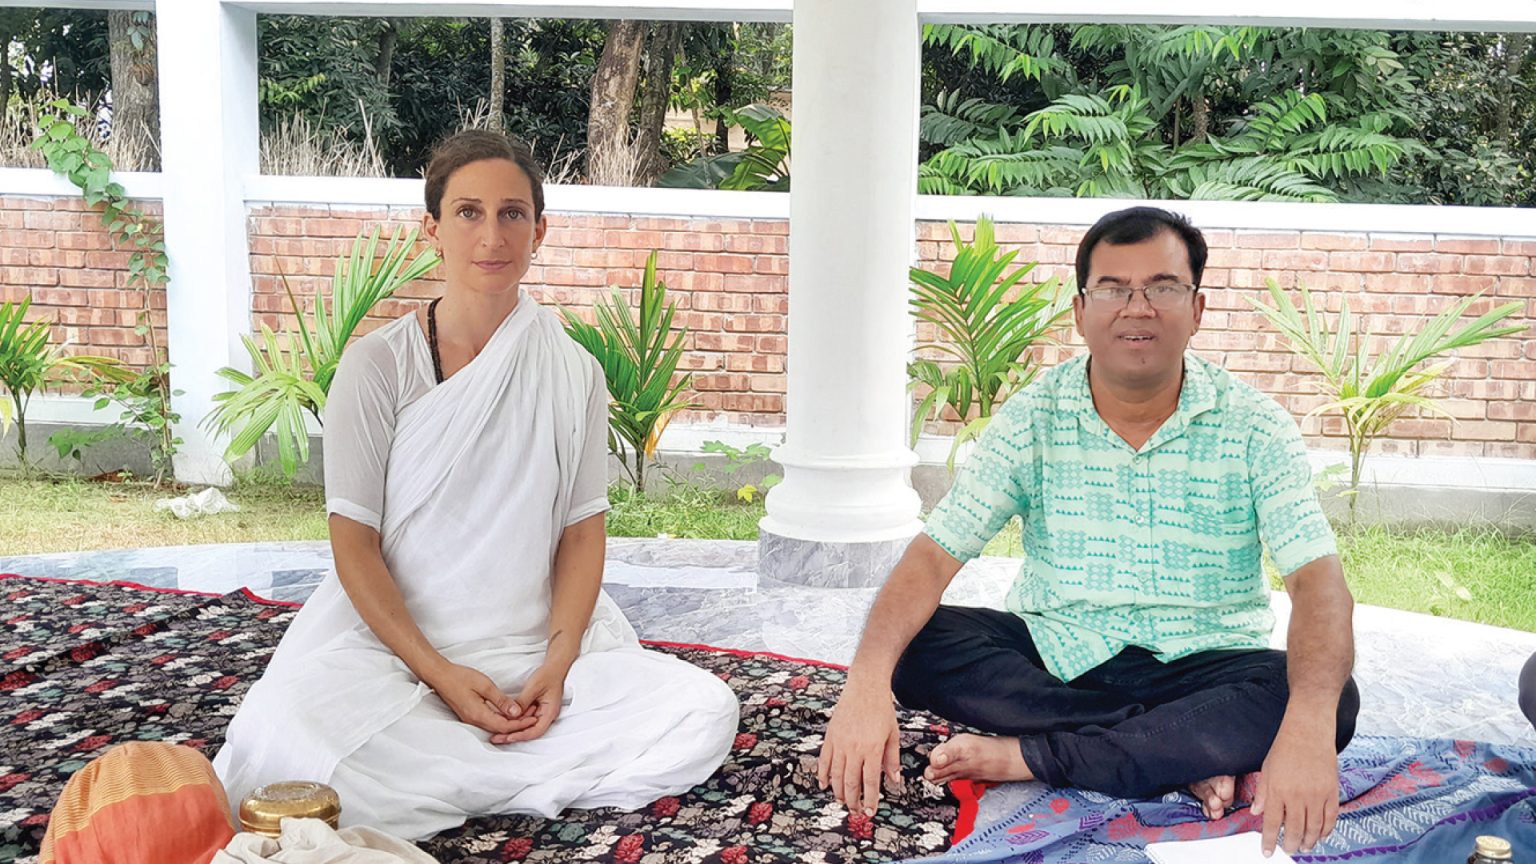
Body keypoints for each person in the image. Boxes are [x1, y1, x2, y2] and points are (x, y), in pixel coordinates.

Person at [215, 130, 739, 841]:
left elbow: (582, 530)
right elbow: (353, 541)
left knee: (704, 711)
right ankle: (508, 767)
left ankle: (475, 766)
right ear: (432, 228)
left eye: (511, 213)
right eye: (468, 212)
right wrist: (441, 675)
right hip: (395, 652)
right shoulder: (377, 366)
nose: (491, 236)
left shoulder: (573, 370)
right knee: (287, 736)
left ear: (539, 230)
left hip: (532, 647)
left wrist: (557, 666)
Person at [818, 207, 1359, 858]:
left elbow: (1317, 583)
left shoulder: (1256, 427)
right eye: (1113, 288)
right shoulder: (1033, 417)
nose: (1138, 308)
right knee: (915, 644)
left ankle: (1036, 755)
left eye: (1162, 287)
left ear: (1197, 309)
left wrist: (1307, 724)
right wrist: (865, 685)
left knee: (1325, 698)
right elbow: (933, 559)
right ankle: (1173, 754)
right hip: (1060, 655)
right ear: (1081, 311)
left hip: (1203, 666)